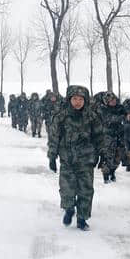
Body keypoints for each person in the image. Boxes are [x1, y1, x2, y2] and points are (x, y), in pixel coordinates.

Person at [47, 85, 108, 231]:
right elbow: (54, 137)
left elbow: (100, 136)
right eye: (74, 99)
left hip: (86, 160)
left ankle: (82, 218)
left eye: (81, 99)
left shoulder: (92, 116)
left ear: (85, 100)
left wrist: (103, 154)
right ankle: (69, 209)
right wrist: (52, 156)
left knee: (85, 191)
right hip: (67, 160)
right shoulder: (61, 116)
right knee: (67, 190)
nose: (77, 102)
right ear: (69, 99)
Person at [97, 91, 127, 183]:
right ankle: (106, 175)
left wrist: (125, 116)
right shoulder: (102, 109)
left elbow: (127, 116)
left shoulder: (120, 107)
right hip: (107, 136)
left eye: (114, 99)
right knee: (107, 157)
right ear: (106, 101)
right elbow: (110, 119)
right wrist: (122, 117)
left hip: (119, 135)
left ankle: (113, 171)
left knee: (118, 156)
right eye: (110, 100)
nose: (113, 102)